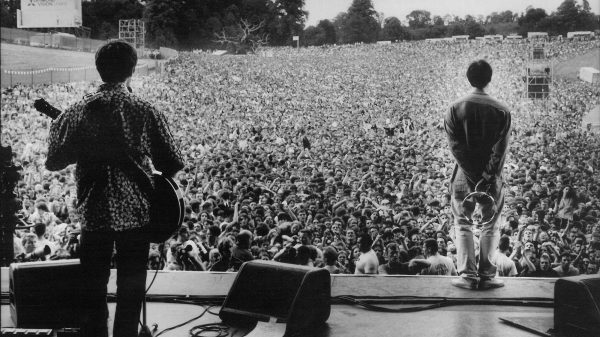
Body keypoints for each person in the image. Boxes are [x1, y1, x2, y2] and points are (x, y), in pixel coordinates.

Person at [45, 41, 184, 337]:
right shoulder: (144, 110)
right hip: (136, 215)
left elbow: (54, 161)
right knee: (131, 287)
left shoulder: (75, 112)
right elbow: (172, 162)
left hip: (94, 213)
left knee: (92, 287)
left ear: (99, 69)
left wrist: (59, 131)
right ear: (132, 70)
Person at [445, 60, 511, 290]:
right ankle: (487, 276)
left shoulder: (455, 108)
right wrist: (486, 176)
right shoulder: (502, 110)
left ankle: (468, 276)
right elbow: (500, 150)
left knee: (462, 223)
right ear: (489, 78)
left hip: (463, 176)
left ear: (469, 78)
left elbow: (456, 148)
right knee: (491, 224)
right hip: (491, 180)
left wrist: (472, 176)